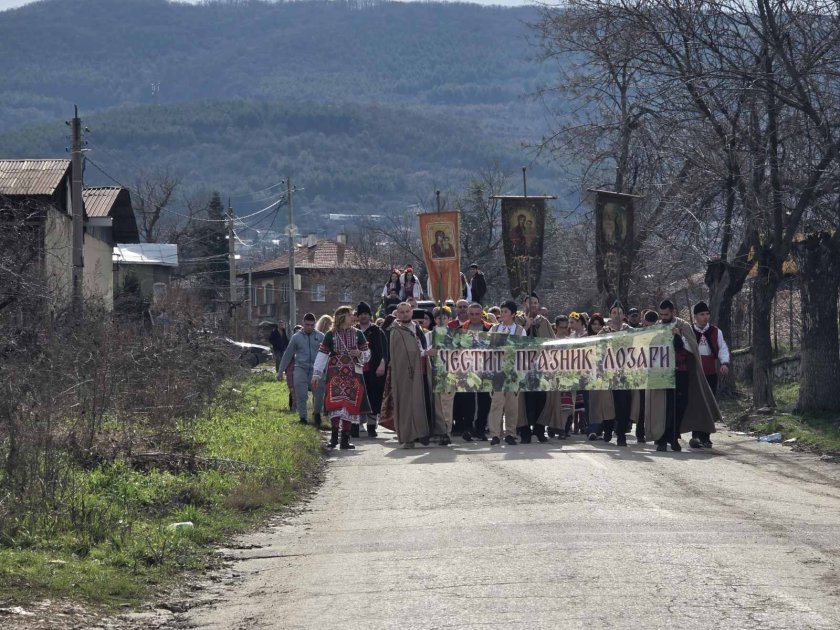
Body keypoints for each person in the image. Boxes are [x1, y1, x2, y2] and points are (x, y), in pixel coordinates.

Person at [649, 299, 721, 452]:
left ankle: (674, 436)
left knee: (680, 406)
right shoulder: (657, 327)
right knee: (664, 406)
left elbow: (692, 347)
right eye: (661, 314)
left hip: (681, 372)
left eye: (666, 314)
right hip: (663, 374)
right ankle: (662, 439)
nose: (663, 317)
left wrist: (679, 336)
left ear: (672, 312)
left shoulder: (683, 326)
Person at [386, 302, 448, 448]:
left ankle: (426, 433)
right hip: (407, 373)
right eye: (401, 312)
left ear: (411, 312)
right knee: (409, 403)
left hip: (423, 369)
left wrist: (430, 350)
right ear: (397, 314)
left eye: (407, 311)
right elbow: (404, 353)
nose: (405, 314)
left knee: (426, 402)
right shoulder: (396, 331)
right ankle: (409, 436)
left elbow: (420, 346)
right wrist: (425, 353)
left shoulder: (417, 327)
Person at [312, 306, 372, 450]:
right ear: (342, 317)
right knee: (335, 405)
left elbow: (367, 354)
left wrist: (358, 353)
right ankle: (334, 438)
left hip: (353, 375)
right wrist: (316, 374)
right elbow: (322, 355)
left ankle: (345, 439)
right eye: (351, 315)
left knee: (349, 406)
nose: (353, 317)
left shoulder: (358, 334)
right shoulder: (330, 335)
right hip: (335, 375)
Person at [690, 301, 730, 448]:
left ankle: (706, 436)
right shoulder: (689, 331)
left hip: (710, 372)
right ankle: (696, 436)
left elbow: (722, 348)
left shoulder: (715, 331)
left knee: (708, 403)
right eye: (702, 314)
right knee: (696, 403)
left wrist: (724, 363)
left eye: (707, 314)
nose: (705, 317)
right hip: (694, 372)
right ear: (695, 317)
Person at [277, 313, 326, 427]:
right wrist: (280, 371)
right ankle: (303, 418)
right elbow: (288, 354)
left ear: (314, 324)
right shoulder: (296, 337)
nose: (309, 327)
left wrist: (326, 370)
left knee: (319, 394)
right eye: (307, 325)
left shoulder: (321, 337)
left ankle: (317, 414)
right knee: (301, 394)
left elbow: (326, 354)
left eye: (311, 325)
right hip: (300, 368)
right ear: (303, 323)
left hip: (316, 370)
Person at [487, 300, 525, 446]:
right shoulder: (494, 329)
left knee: (512, 405)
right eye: (501, 311)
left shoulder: (520, 330)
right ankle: (495, 434)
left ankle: (510, 433)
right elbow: (488, 347)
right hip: (497, 370)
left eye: (505, 312)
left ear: (513, 314)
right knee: (496, 403)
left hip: (513, 371)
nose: (502, 314)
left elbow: (523, 350)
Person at [520, 292, 555, 443]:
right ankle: (525, 430)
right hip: (523, 368)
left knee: (542, 399)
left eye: (535, 303)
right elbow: (515, 341)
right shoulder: (518, 320)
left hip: (540, 367)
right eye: (530, 303)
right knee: (525, 401)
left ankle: (540, 429)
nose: (533, 305)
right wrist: (526, 327)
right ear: (524, 304)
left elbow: (551, 342)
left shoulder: (544, 321)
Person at [456, 303, 493, 441]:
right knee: (467, 400)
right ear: (468, 314)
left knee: (485, 400)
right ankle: (467, 428)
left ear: (482, 313)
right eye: (471, 314)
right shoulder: (461, 329)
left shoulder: (490, 328)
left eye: (477, 314)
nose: (474, 317)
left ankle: (480, 429)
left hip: (486, 368)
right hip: (467, 369)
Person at [600, 302, 634, 446]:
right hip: (608, 374)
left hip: (625, 374)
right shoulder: (603, 332)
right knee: (608, 403)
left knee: (623, 405)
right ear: (610, 315)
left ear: (624, 316)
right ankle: (607, 430)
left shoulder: (631, 331)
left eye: (619, 313)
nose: (617, 315)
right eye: (614, 313)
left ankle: (621, 434)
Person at [357, 301, 388, 438]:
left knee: (374, 397)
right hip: (358, 370)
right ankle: (355, 426)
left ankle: (371, 427)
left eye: (366, 314)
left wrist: (382, 364)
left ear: (370, 316)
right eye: (361, 314)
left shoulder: (377, 331)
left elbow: (384, 351)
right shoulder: (354, 331)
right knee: (358, 397)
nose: (363, 316)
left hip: (374, 370)